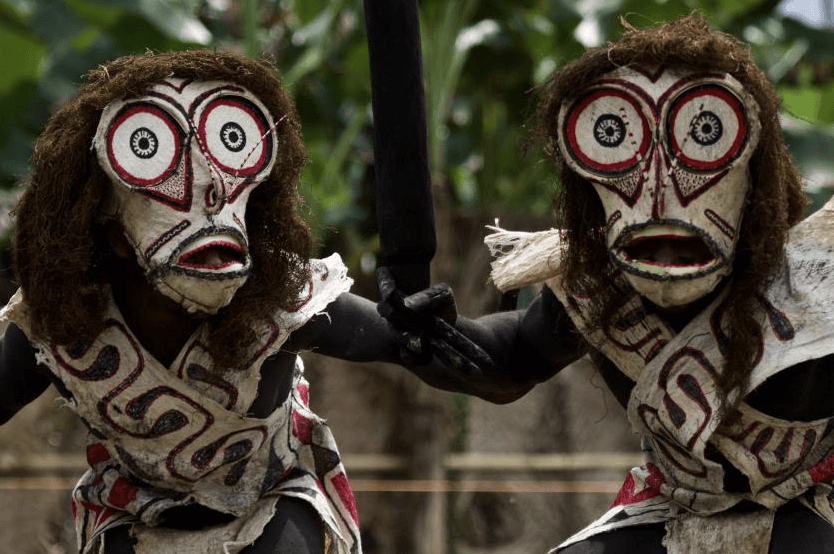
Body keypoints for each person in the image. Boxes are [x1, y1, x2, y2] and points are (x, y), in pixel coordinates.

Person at [378, 14, 834, 553]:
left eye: (702, 133)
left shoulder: (815, 288)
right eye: (617, 137)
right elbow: (514, 356)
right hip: (675, 508)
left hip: (811, 507)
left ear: (750, 168)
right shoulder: (601, 290)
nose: (662, 185)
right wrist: (431, 336)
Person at [0, 49, 429, 554]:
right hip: (129, 512)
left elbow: (462, 353)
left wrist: (529, 325)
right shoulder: (63, 323)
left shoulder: (282, 303)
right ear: (110, 230)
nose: (206, 194)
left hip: (271, 502)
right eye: (157, 157)